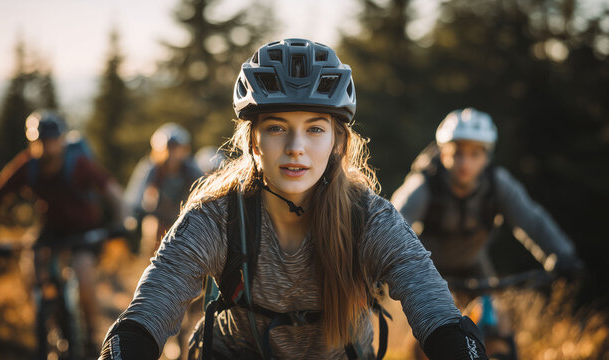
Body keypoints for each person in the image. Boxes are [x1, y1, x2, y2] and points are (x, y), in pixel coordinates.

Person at [100, 39, 488, 360]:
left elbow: (434, 307)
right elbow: (148, 312)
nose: (295, 148)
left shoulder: (368, 218)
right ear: (253, 141)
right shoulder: (217, 217)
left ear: (338, 141)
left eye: (315, 129)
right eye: (276, 127)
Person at [390, 108, 583, 358]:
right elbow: (393, 222)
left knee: (500, 332)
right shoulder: (425, 185)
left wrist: (562, 254)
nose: (465, 163)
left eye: (475, 154)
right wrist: (378, 265)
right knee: (428, 341)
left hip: (477, 269)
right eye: (457, 153)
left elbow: (532, 221)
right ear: (443, 152)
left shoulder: (498, 184)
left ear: (487, 156)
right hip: (430, 273)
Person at [0, 109, 126, 353]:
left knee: (83, 272)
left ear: (61, 141)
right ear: (32, 143)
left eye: (51, 141)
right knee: (32, 269)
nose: (46, 148)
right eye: (40, 142)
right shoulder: (27, 166)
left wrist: (122, 223)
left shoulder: (78, 163)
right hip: (51, 230)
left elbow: (112, 191)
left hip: (86, 231)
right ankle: (49, 320)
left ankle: (94, 334)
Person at [124, 122, 203, 253]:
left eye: (175, 148)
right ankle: (150, 264)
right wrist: (132, 218)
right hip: (156, 218)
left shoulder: (191, 170)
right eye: (168, 148)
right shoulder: (151, 169)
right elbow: (135, 196)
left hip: (185, 219)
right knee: (152, 229)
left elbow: (205, 191)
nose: (171, 153)